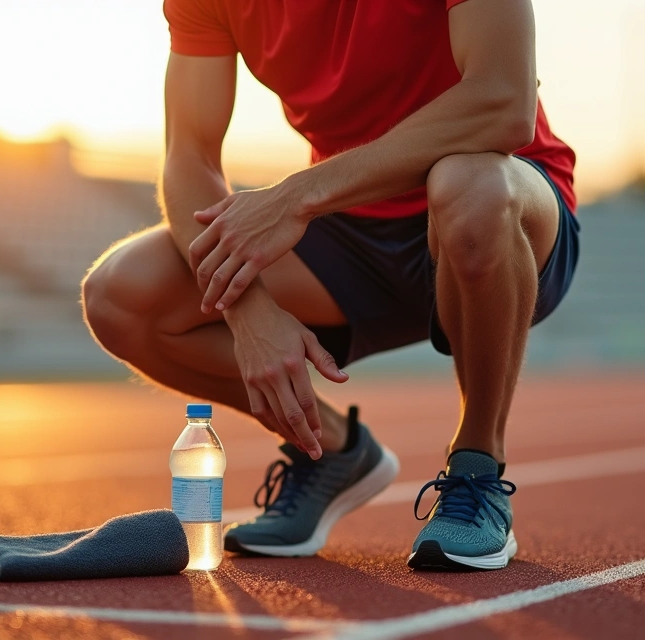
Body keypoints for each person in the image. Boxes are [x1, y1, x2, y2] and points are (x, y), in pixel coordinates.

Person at [81, 0, 579, 571]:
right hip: (350, 235)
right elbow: (188, 155)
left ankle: (478, 466)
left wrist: (295, 197)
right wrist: (248, 311)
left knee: (469, 185)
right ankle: (334, 450)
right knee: (120, 296)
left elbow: (502, 102)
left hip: (499, 208)